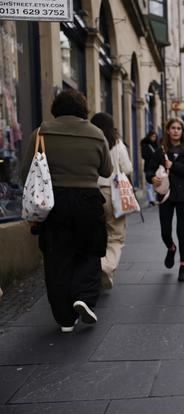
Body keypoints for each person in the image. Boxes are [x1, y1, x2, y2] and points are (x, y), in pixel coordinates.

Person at [20, 89, 112, 332]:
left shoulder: (41, 132)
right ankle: (84, 296)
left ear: (56, 108)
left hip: (54, 203)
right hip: (88, 201)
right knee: (90, 252)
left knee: (56, 257)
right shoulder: (96, 134)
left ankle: (65, 318)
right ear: (83, 109)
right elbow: (106, 170)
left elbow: (26, 172)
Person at [146, 118, 184, 282]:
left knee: (181, 231)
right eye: (173, 128)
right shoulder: (160, 151)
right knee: (165, 231)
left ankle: (183, 266)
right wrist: (151, 178)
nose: (176, 131)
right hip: (166, 194)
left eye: (179, 128)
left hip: (183, 195)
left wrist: (173, 166)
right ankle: (171, 247)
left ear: (183, 131)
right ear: (168, 130)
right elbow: (149, 169)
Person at [92, 112, 132, 290]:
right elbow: (128, 168)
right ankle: (105, 267)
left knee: (96, 234)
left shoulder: (90, 142)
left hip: (90, 192)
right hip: (112, 192)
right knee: (116, 236)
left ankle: (99, 270)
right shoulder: (117, 144)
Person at [140, 131, 159, 206]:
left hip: (157, 167)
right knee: (149, 184)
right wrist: (152, 157)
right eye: (152, 136)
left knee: (157, 183)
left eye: (155, 137)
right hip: (148, 166)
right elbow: (143, 155)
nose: (153, 138)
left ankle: (156, 198)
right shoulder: (145, 145)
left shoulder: (156, 145)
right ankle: (151, 200)